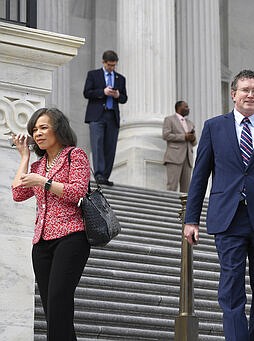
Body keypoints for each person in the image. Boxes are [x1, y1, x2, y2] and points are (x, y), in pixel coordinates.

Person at [183, 69, 254, 341]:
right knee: (231, 288)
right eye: (245, 89)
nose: (250, 95)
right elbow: (199, 175)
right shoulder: (214, 127)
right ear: (233, 94)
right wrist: (191, 219)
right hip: (228, 218)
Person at [11, 108, 91, 340]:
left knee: (58, 301)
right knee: (53, 311)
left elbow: (77, 192)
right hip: (42, 243)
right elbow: (17, 193)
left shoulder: (74, 155)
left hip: (71, 237)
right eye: (35, 129)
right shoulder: (37, 166)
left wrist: (44, 182)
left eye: (44, 127)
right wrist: (25, 157)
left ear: (59, 129)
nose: (38, 133)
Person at [83, 50, 127, 186]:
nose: (111, 68)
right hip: (97, 115)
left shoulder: (120, 78)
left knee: (110, 146)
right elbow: (87, 92)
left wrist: (117, 95)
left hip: (112, 116)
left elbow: (124, 98)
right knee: (97, 145)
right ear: (103, 62)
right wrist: (103, 92)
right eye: (109, 65)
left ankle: (105, 175)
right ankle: (99, 174)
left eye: (114, 65)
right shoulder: (93, 75)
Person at [162, 100, 197, 192]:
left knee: (186, 189)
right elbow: (166, 135)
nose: (188, 109)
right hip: (174, 156)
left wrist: (192, 138)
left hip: (188, 158)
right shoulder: (169, 120)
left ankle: (184, 207)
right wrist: (184, 137)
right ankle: (169, 205)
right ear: (178, 108)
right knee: (172, 185)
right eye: (186, 107)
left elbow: (194, 142)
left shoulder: (190, 123)